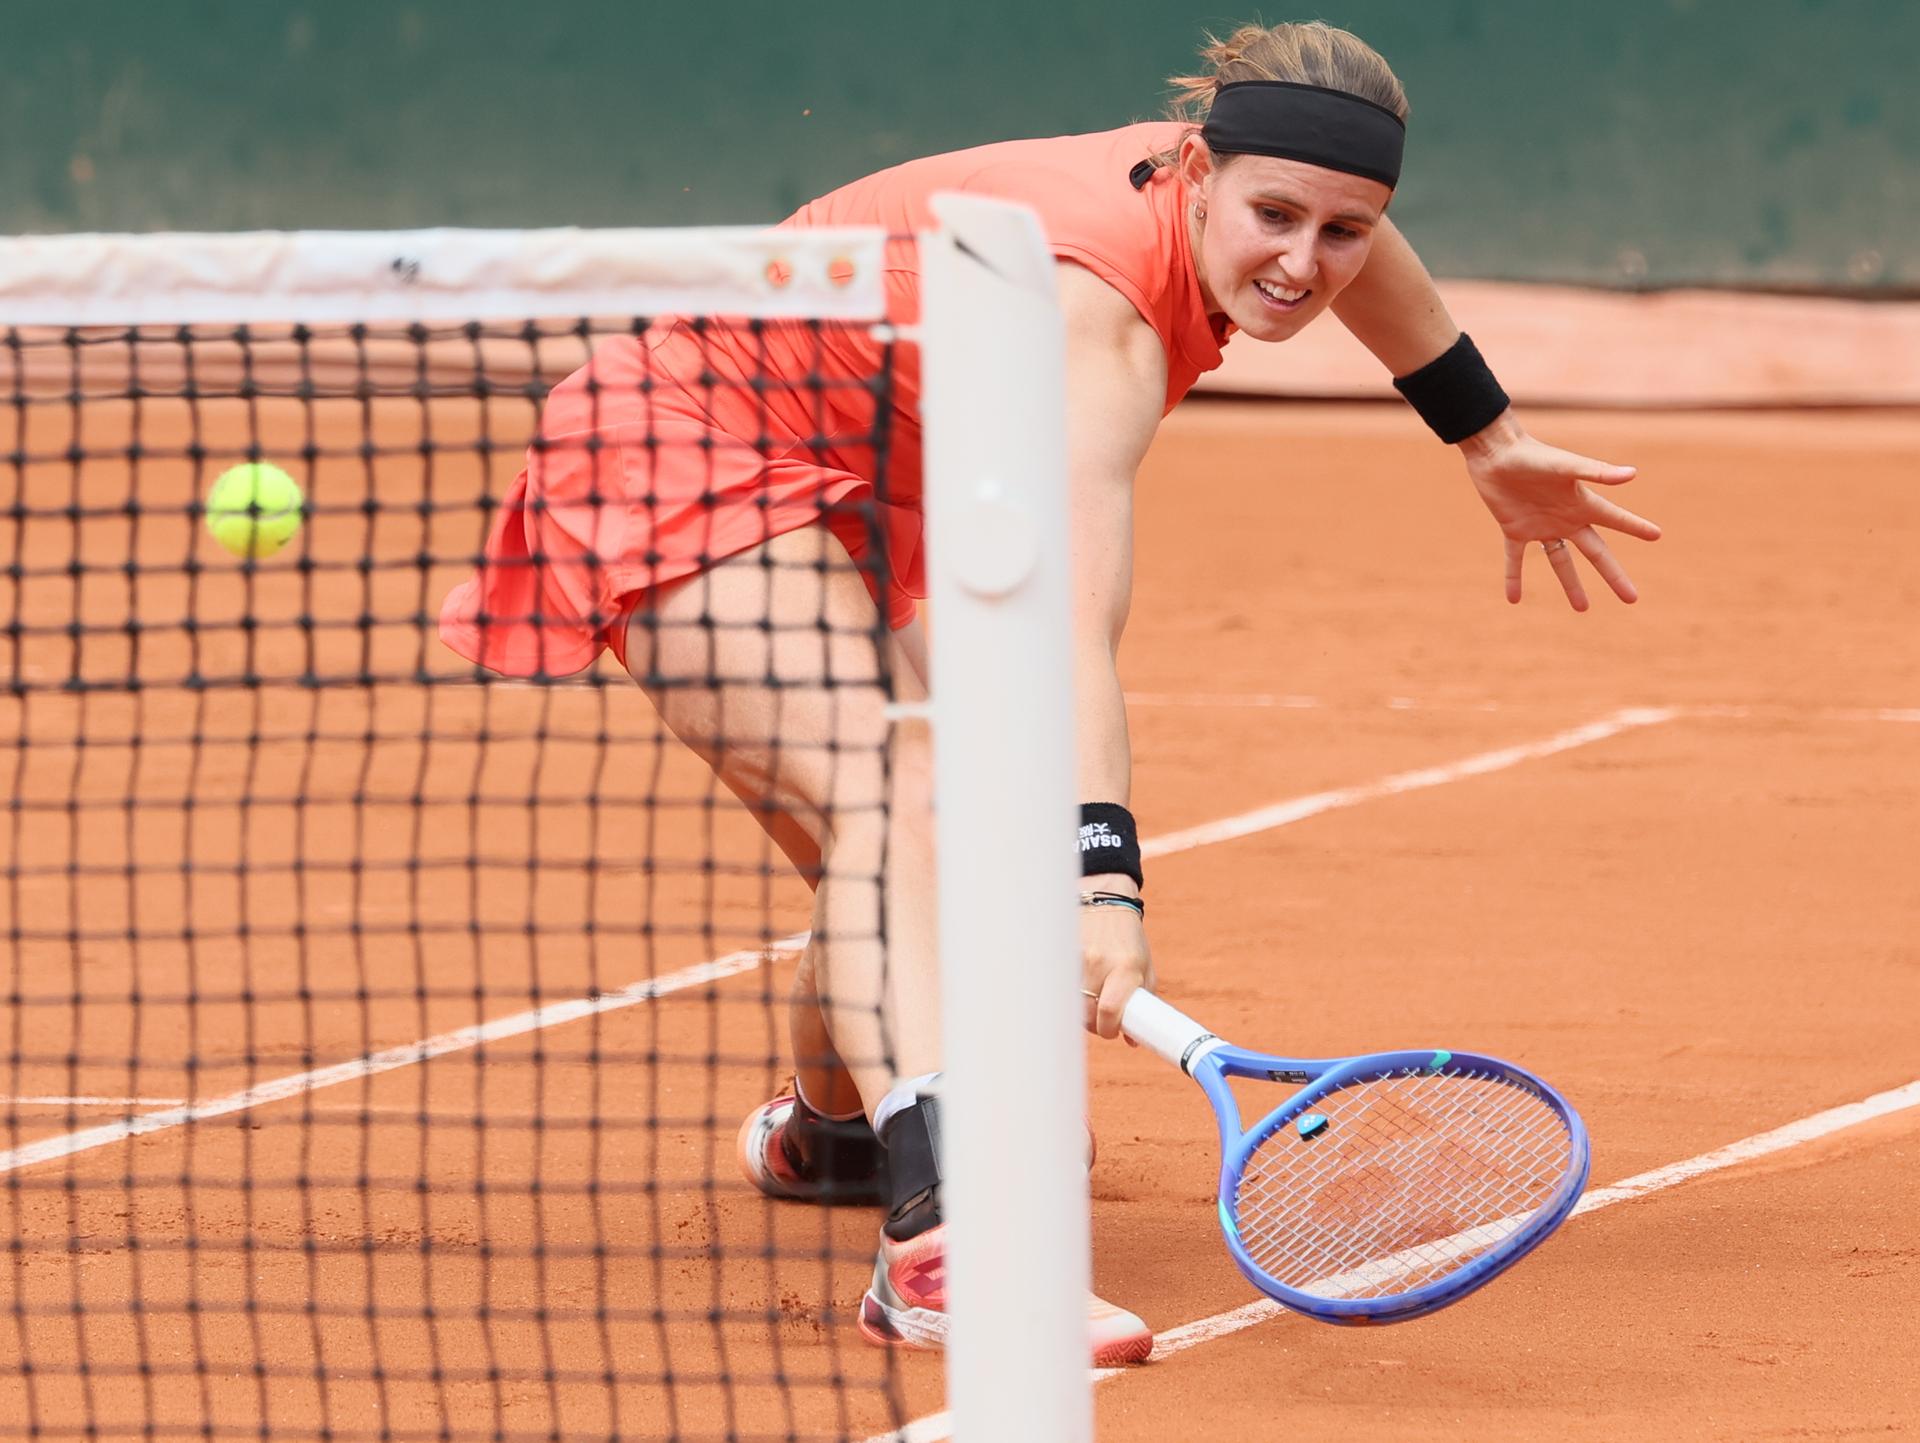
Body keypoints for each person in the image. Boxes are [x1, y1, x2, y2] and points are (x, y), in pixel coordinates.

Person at [440, 19, 1660, 1365]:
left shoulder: (1266, 196)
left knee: (927, 829)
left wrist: (1486, 432)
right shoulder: (1096, 325)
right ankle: (941, 1241)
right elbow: (1069, 640)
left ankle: (839, 1134)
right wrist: (1105, 890)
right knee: (904, 793)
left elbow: (1365, 257)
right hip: (684, 443)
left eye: (1344, 229)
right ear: (1195, 168)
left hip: (864, 472)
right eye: (1272, 217)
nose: (1303, 266)